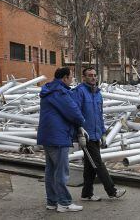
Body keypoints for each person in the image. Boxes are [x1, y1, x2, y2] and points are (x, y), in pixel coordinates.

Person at [73, 67, 126, 201]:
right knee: (98, 163)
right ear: (84, 77)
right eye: (90, 75)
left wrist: (103, 133)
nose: (93, 77)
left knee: (90, 165)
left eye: (95, 75)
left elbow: (100, 115)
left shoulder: (98, 93)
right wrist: (79, 133)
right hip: (86, 135)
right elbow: (75, 114)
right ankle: (112, 191)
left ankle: (86, 194)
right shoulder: (79, 92)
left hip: (96, 134)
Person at [37, 67, 86, 212]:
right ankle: (64, 203)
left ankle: (52, 202)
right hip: (58, 136)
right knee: (61, 171)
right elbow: (74, 112)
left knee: (51, 170)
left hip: (48, 135)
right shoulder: (60, 92)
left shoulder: (49, 90)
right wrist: (81, 123)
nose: (72, 79)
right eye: (71, 76)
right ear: (64, 78)